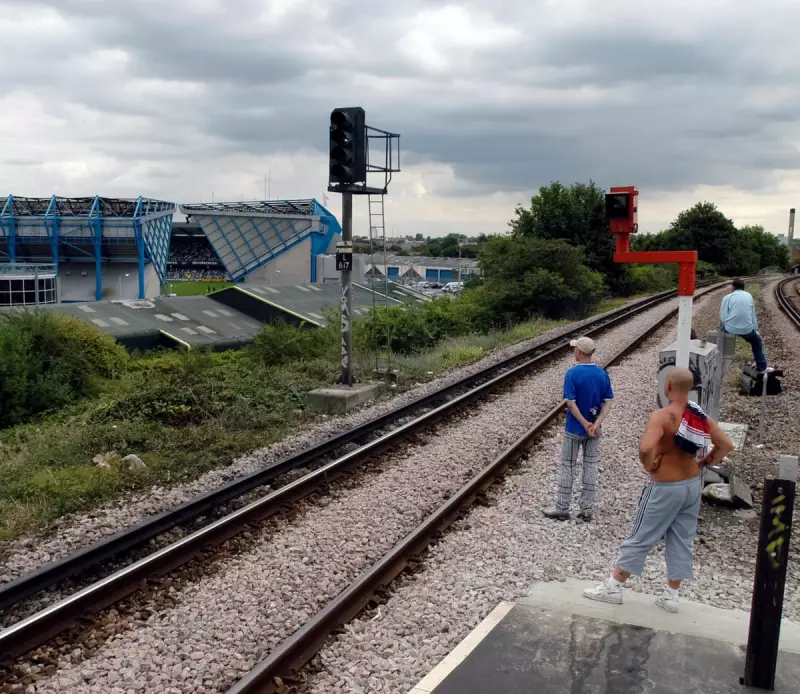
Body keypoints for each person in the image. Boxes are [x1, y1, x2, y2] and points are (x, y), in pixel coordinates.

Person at [583, 368, 734, 613]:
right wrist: (703, 463)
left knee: (641, 534)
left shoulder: (662, 416)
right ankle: (672, 595)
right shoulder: (699, 416)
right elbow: (726, 444)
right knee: (682, 538)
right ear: (690, 388)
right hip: (691, 486)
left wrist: (649, 465)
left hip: (665, 487)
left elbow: (645, 448)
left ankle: (614, 587)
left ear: (668, 387)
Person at [543, 336, 613, 522]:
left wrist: (584, 423)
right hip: (594, 430)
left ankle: (562, 508)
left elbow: (571, 403)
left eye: (575, 349)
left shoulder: (572, 374)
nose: (574, 351)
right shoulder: (602, 373)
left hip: (574, 428)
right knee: (590, 465)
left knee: (568, 465)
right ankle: (586, 508)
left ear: (580, 352)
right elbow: (608, 401)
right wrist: (595, 424)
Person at [719, 279, 768, 373]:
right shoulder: (749, 296)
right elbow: (752, 314)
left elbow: (723, 315)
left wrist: (726, 326)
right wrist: (755, 329)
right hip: (747, 329)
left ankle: (716, 361)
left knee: (718, 338)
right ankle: (762, 367)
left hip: (730, 328)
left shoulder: (727, 297)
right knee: (757, 342)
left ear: (733, 286)